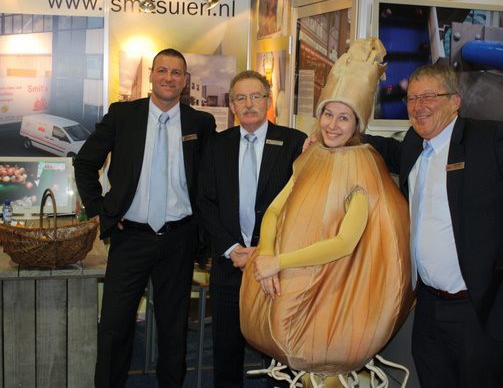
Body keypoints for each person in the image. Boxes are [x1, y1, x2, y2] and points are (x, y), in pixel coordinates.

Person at [366, 64, 503, 388]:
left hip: (482, 310)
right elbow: (386, 152)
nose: (418, 106)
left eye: (429, 96)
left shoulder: (490, 140)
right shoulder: (414, 144)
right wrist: (341, 135)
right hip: (429, 309)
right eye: (412, 98)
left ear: (455, 101)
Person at [241, 38, 412, 380]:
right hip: (292, 277)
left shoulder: (363, 167)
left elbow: (345, 243)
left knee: (323, 369)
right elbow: (274, 210)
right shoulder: (312, 157)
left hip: (335, 293)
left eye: (344, 118)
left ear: (357, 124)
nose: (333, 125)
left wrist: (280, 262)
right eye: (328, 115)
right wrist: (268, 255)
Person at [73, 48, 216, 387]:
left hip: (179, 239)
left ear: (185, 81)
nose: (169, 78)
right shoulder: (123, 115)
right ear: (151, 75)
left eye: (176, 73)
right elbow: (85, 162)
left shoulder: (200, 123)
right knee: (114, 325)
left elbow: (212, 177)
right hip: (130, 237)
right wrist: (100, 211)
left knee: (173, 327)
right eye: (162, 70)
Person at [197, 70, 306, 387]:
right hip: (230, 265)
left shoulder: (294, 143)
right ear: (232, 106)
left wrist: (266, 250)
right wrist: (232, 249)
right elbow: (205, 202)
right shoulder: (217, 145)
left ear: (268, 101)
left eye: (256, 96)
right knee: (226, 353)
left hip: (277, 268)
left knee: (280, 355)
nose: (248, 104)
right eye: (240, 98)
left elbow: (302, 206)